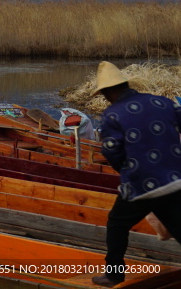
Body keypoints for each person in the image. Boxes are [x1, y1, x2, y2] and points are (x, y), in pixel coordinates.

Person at [91, 61, 181, 287]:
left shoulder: (112, 115)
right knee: (178, 224)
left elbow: (111, 151)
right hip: (174, 179)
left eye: (104, 94)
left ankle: (114, 274)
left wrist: (126, 171)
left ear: (108, 92)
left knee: (116, 224)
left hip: (143, 183)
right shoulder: (163, 102)